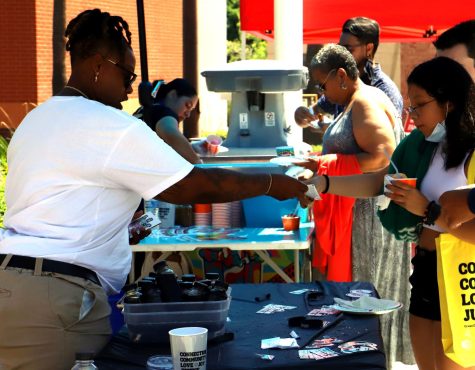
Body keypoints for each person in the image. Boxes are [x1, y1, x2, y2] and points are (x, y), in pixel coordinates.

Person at [0, 9, 311, 370]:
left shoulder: (36, 119)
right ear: (99, 65)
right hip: (55, 299)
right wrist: (272, 182)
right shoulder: (107, 124)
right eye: (127, 74)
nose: (131, 88)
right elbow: (190, 185)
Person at [307, 56, 475, 370]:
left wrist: (426, 210)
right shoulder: (423, 144)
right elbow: (382, 182)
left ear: (448, 103)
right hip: (425, 271)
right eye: (410, 106)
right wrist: (326, 183)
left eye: (419, 106)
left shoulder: (471, 152)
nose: (412, 115)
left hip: (461, 277)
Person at [298, 44, 411, 368]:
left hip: (366, 217)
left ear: (342, 76)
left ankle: (370, 363)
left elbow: (382, 156)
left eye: (323, 84)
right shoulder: (354, 101)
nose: (322, 92)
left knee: (363, 299)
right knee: (366, 300)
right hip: (361, 211)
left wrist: (327, 162)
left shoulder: (363, 103)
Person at [295, 17, 404, 128]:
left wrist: (335, 130)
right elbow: (316, 110)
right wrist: (304, 114)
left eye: (348, 49)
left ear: (369, 49)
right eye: (340, 48)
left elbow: (388, 137)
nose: (342, 53)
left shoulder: (385, 90)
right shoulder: (343, 81)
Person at [134, 78, 204, 164]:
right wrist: (198, 163)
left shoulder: (145, 110)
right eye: (187, 105)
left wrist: (192, 148)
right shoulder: (163, 112)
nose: (188, 114)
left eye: (191, 110)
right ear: (172, 95)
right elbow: (170, 133)